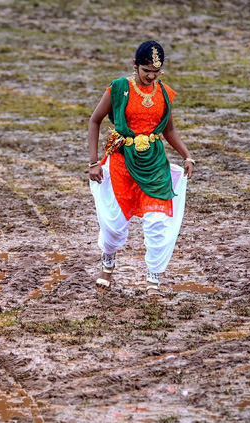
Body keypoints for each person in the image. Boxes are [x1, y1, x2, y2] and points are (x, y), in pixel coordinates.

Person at [88, 40, 194, 297]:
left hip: (155, 164)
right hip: (122, 163)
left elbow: (169, 130)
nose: (152, 77)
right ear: (135, 65)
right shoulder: (118, 88)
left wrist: (187, 156)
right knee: (114, 223)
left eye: (157, 72)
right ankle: (108, 263)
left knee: (157, 221)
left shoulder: (165, 93)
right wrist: (93, 162)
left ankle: (153, 278)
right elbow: (94, 121)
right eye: (147, 71)